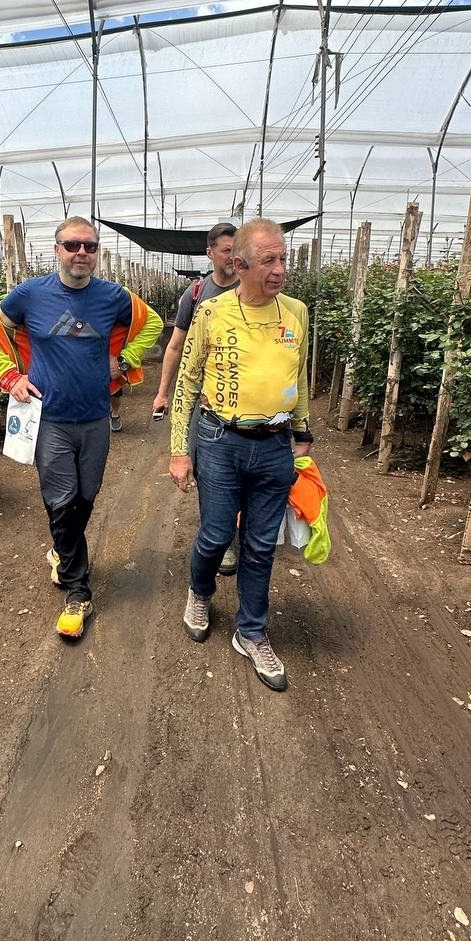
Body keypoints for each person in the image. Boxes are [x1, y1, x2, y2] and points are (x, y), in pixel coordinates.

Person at [0, 216, 162, 641]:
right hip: (50, 419)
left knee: (85, 497)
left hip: (96, 416)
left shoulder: (113, 296)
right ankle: (79, 591)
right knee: (61, 501)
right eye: (73, 245)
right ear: (57, 250)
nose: (82, 253)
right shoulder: (30, 294)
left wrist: (125, 359)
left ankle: (63, 550)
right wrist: (9, 375)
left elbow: (152, 322)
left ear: (97, 253)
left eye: (90, 246)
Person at [168, 218, 314, 692]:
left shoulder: (296, 312)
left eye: (283, 258)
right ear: (240, 264)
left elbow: (299, 375)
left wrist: (302, 429)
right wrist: (179, 450)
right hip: (219, 441)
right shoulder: (212, 312)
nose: (280, 269)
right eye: (269, 260)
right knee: (215, 535)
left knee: (260, 544)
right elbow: (188, 382)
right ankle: (200, 591)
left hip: (274, 445)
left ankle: (251, 632)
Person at [153, 221, 240, 573]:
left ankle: (233, 532)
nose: (233, 257)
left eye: (238, 250)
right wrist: (163, 392)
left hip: (243, 399)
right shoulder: (195, 294)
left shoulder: (253, 289)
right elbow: (175, 346)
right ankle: (222, 537)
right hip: (203, 401)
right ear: (210, 253)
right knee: (207, 469)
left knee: (242, 470)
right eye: (226, 250)